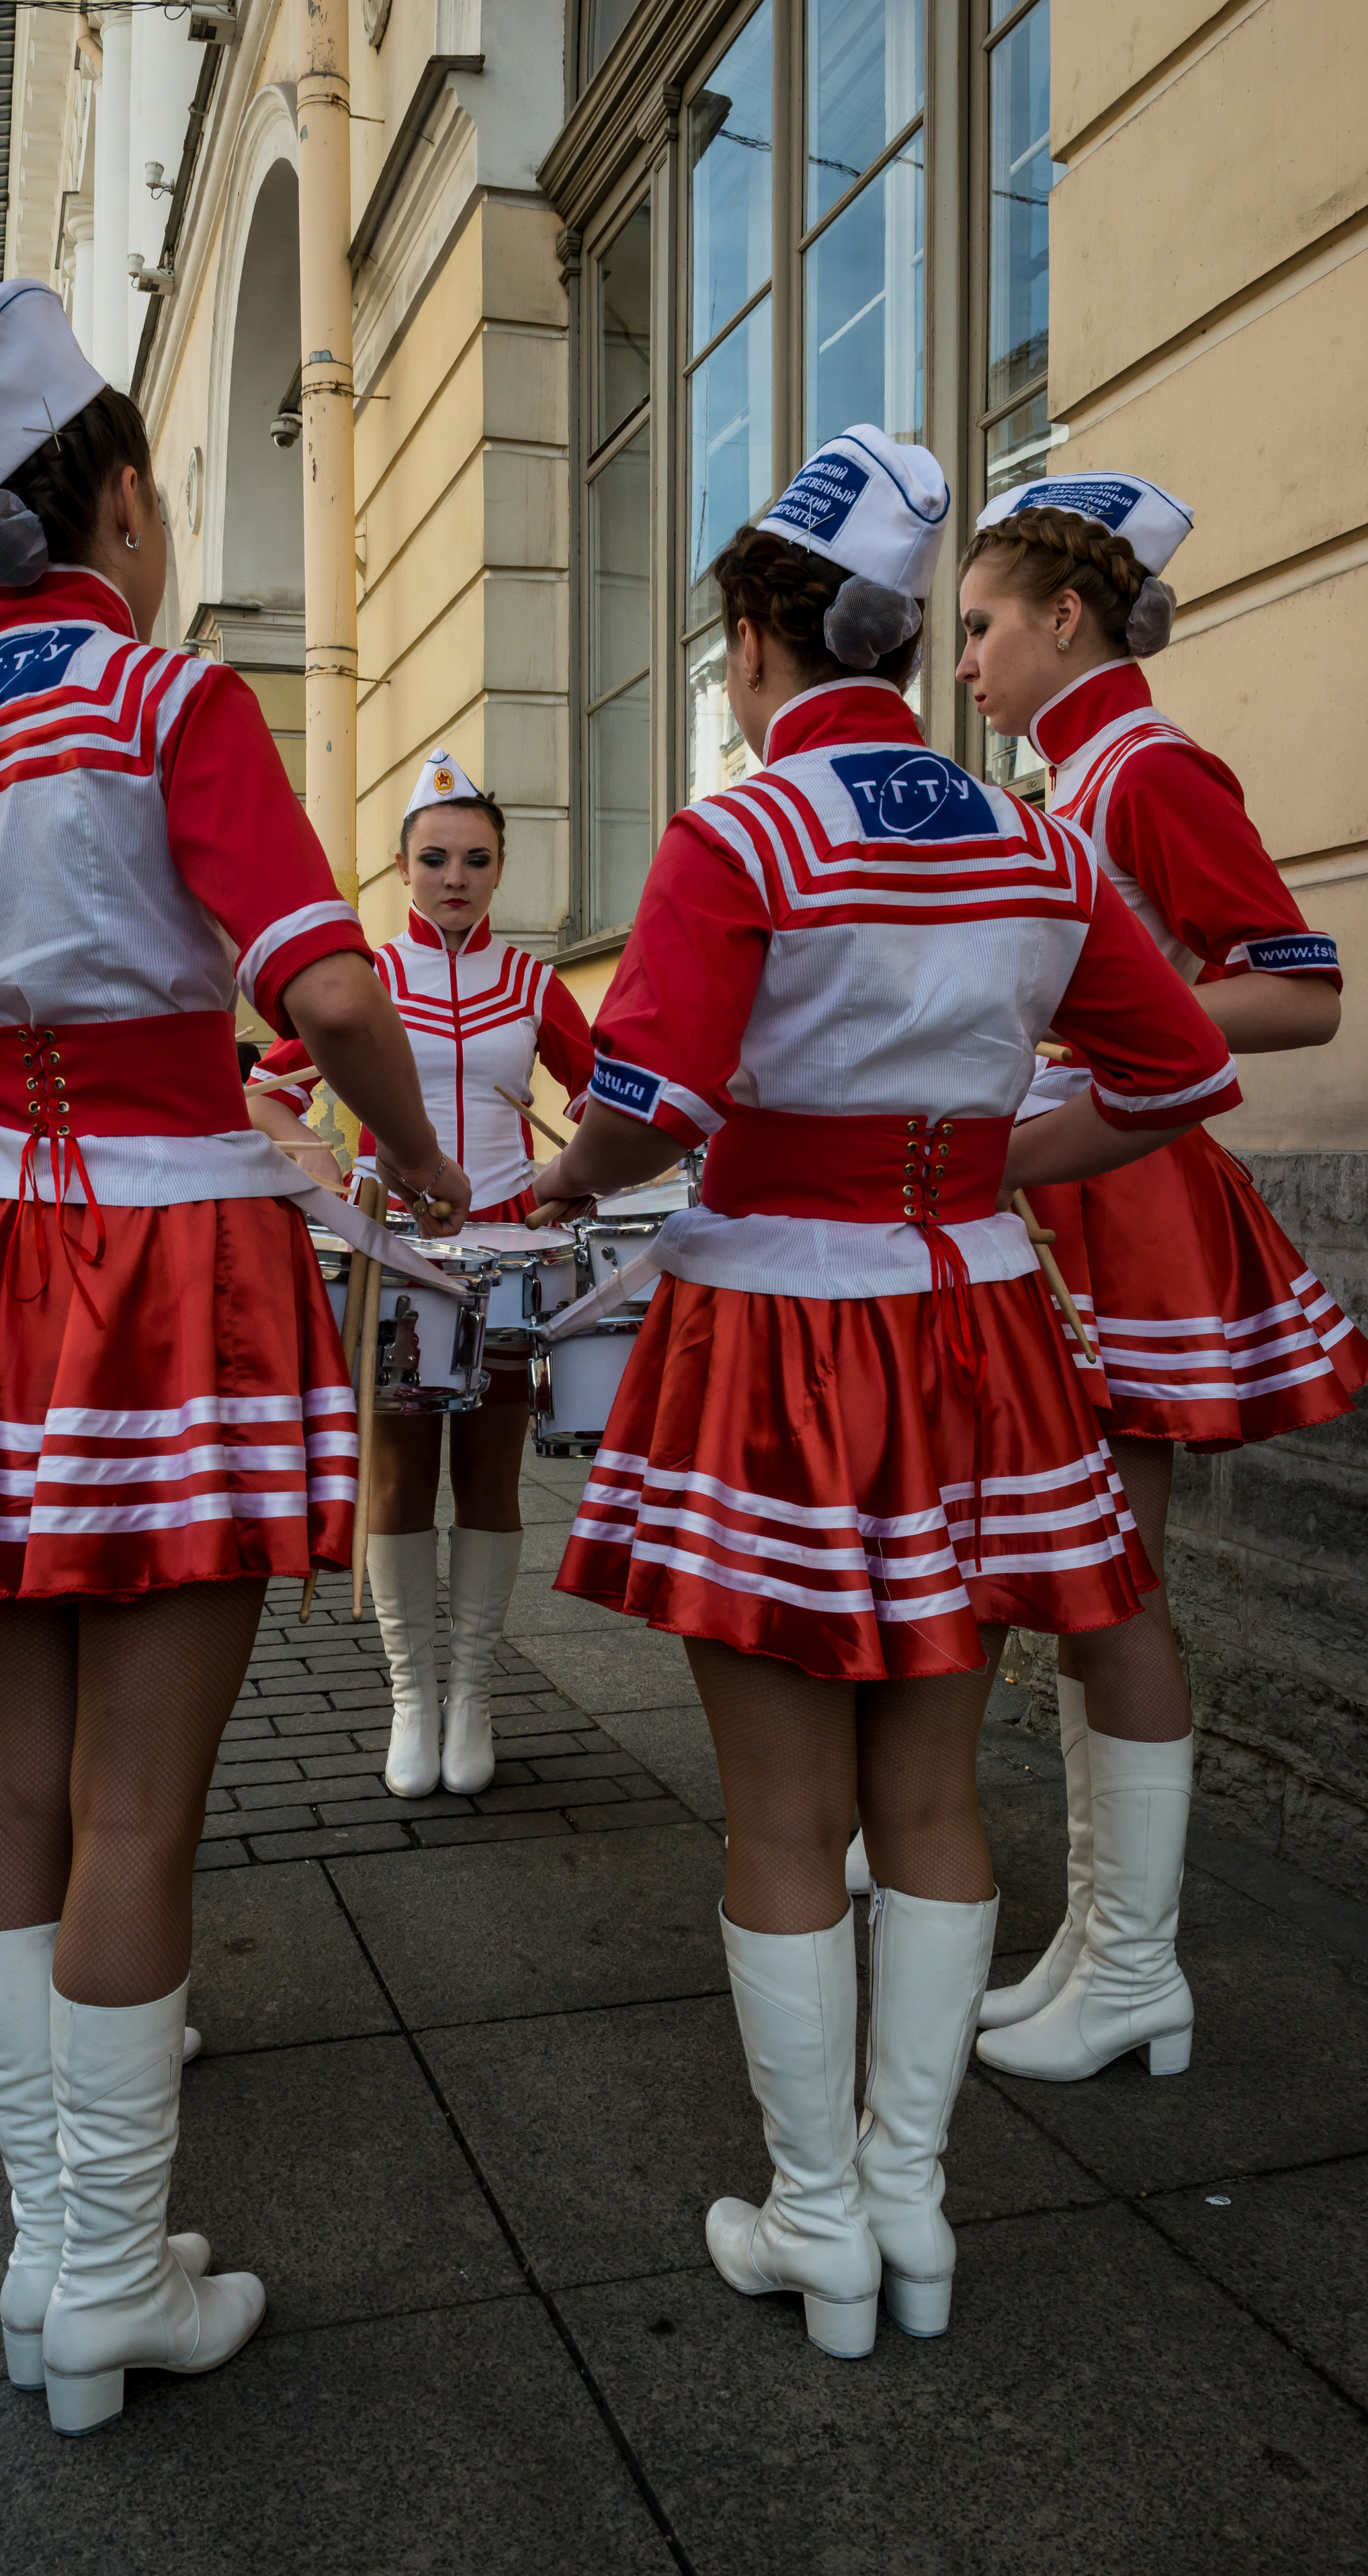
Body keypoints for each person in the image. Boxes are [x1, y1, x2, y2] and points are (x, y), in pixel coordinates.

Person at [0, 279, 470, 2438]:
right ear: (118, 495)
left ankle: (59, 2257)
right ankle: (108, 2281)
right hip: (171, 1268)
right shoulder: (165, 702)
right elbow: (325, 994)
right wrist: (408, 1158)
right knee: (146, 1805)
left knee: (20, 1777)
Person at [529, 427, 1244, 2360]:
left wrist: (561, 1187)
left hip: (770, 1324)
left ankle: (821, 2219)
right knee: (935, 1785)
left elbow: (649, 1103)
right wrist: (993, 1169)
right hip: (979, 1326)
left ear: (760, 646)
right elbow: (1183, 1078)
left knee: (783, 1814)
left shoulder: (742, 832)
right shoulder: (1043, 837)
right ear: (913, 642)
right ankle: (912, 2209)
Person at [953, 474, 1364, 2084]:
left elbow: (1296, 989)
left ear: (1063, 619)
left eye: (980, 626)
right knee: (1080, 1582)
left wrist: (1090, 1060)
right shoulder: (1083, 774)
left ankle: (1129, 1959)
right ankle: (1094, 1939)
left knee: (1107, 1581)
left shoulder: (1140, 767)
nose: (964, 661)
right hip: (1081, 1190)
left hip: (1115, 1197)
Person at [251, 749, 594, 1798]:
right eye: (436, 857)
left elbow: (610, 1099)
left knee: (489, 1472)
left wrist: (566, 1182)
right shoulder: (367, 979)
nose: (457, 876)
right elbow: (264, 1093)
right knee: (399, 1476)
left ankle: (475, 1690)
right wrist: (322, 1176)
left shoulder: (536, 981)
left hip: (504, 1255)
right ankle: (412, 1693)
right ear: (402, 868)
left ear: (499, 870)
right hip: (393, 1254)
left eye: (477, 859)